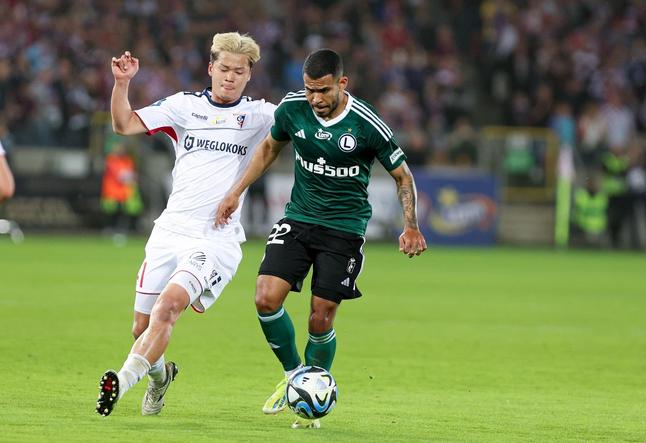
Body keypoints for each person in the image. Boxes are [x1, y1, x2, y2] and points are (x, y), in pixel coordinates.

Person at [214, 49, 427, 429]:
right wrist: (235, 192)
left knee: (320, 316)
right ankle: (297, 378)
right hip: (299, 219)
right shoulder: (293, 109)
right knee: (265, 297)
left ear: (342, 84)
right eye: (310, 89)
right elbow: (268, 148)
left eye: (323, 90)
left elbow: (402, 175)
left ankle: (312, 394)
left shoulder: (366, 124)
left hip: (344, 229)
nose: (315, 99)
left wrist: (410, 224)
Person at [96, 32, 276, 417]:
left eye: (238, 72)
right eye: (224, 69)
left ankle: (121, 382)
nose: (229, 77)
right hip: (170, 230)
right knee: (140, 328)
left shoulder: (262, 116)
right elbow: (124, 124)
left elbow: (308, 122)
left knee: (169, 308)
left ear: (249, 77)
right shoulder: (182, 107)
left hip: (214, 239)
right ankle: (161, 379)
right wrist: (122, 83)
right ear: (211, 68)